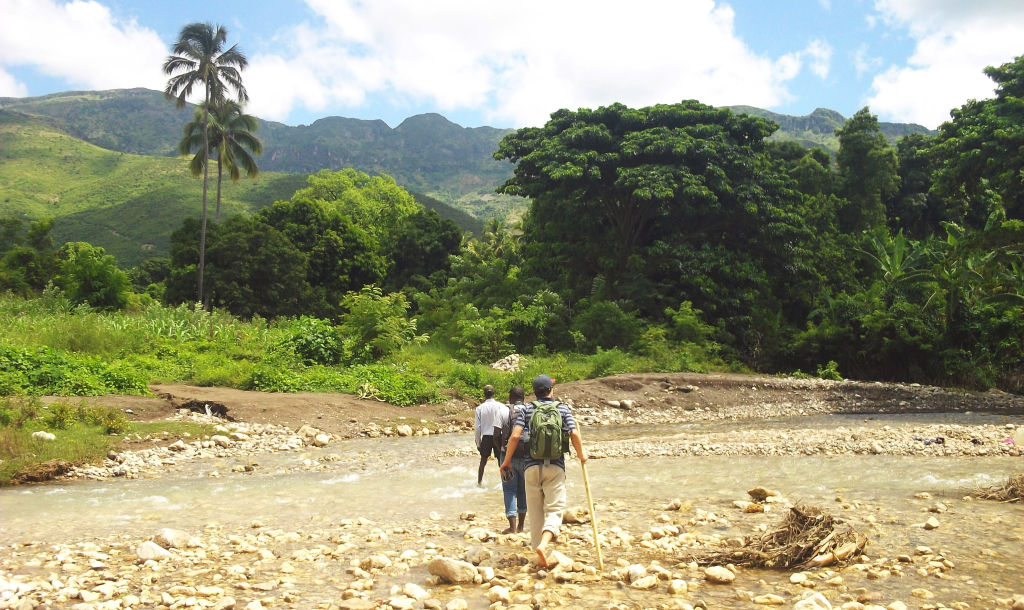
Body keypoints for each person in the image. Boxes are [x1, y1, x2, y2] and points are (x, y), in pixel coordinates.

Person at [500, 374, 586, 567]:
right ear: (550, 390)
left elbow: (515, 437)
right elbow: (573, 433)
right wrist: (582, 455)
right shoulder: (562, 409)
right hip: (555, 467)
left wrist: (506, 461)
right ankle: (545, 544)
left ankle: (537, 552)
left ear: (536, 392)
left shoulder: (528, 409)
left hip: (531, 467)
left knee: (535, 512)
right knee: (555, 509)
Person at [499, 386, 528, 534]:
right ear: (523, 397)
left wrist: (501, 453)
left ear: (510, 397)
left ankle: (512, 527)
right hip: (526, 457)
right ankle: (521, 526)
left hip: (507, 457)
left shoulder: (505, 410)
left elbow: (497, 434)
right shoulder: (530, 410)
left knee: (509, 489)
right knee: (523, 490)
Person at [474, 384, 506, 486]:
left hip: (486, 437)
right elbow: (505, 423)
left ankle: (479, 483)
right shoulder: (501, 406)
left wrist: (478, 443)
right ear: (494, 394)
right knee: (501, 460)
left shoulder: (480, 408)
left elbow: (477, 428)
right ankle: (505, 482)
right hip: (498, 436)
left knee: (483, 461)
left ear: (484, 395)